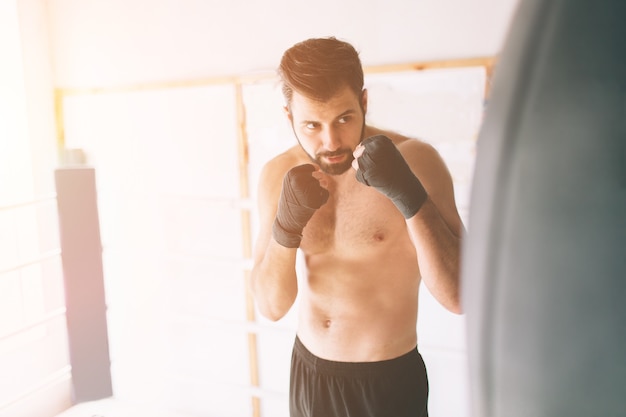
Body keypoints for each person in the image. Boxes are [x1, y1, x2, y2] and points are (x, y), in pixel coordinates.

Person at [250, 37, 464, 417]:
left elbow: (460, 295)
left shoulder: (416, 160)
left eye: (344, 119)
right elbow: (271, 306)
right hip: (311, 374)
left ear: (364, 102)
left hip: (388, 382)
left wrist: (411, 198)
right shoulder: (277, 175)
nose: (330, 141)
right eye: (312, 125)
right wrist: (286, 228)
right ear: (289, 117)